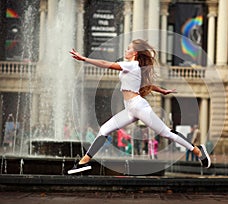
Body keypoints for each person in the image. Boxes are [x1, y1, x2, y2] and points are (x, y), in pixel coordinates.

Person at [67, 39, 211, 174]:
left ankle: (198, 151)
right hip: (129, 108)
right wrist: (162, 90)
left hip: (139, 106)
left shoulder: (132, 65)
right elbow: (145, 84)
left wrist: (85, 59)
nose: (126, 50)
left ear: (135, 53)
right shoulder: (134, 67)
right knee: (104, 130)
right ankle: (83, 163)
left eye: (129, 48)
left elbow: (106, 63)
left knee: (166, 133)